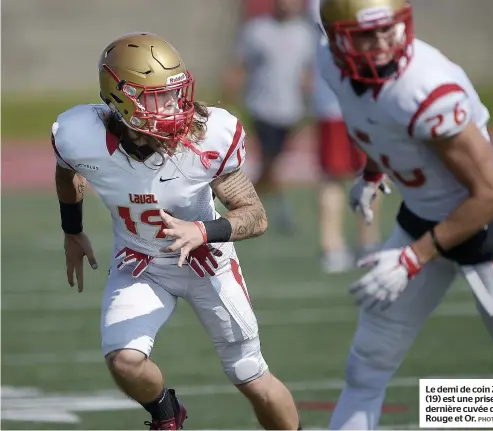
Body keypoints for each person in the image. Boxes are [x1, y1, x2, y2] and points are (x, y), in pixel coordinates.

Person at [315, 1, 493, 429]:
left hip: (482, 231)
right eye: (367, 34)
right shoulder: (330, 63)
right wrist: (372, 171)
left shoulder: (426, 88)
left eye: (390, 30)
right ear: (336, 38)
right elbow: (372, 121)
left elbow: (492, 195)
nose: (383, 44)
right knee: (365, 369)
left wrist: (412, 257)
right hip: (421, 217)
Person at [51, 32, 302, 430]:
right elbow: (68, 174)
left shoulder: (206, 136)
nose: (174, 105)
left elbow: (255, 215)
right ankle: (166, 414)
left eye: (176, 92)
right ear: (120, 98)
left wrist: (204, 230)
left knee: (251, 375)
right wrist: (72, 229)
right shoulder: (79, 136)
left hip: (208, 263)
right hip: (142, 261)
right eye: (158, 96)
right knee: (123, 360)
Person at [308, 0, 387, 274]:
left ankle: (343, 245)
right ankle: (357, 244)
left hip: (340, 96)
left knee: (359, 174)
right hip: (348, 96)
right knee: (353, 174)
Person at [221, 0, 314, 233]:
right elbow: (240, 67)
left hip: (290, 111)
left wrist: (310, 109)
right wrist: (230, 105)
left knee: (271, 166)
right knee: (269, 163)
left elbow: (307, 74)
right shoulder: (257, 30)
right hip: (261, 108)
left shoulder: (305, 33)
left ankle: (243, 206)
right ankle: (264, 213)